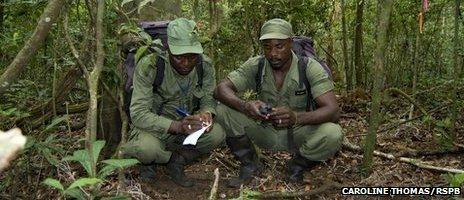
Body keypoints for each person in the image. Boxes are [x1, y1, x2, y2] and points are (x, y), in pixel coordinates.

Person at [214, 18, 343, 187]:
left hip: (298, 133)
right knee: (223, 110)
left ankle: (296, 166)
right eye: (267, 47)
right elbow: (220, 89)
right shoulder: (257, 65)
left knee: (333, 133)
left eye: (279, 46)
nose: (273, 53)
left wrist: (296, 117)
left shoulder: (309, 67)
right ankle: (251, 165)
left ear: (290, 43)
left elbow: (333, 110)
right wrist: (246, 106)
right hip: (264, 130)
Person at [122, 18, 225, 187]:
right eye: (179, 58)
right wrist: (176, 126)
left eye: (192, 57)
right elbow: (138, 114)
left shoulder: (204, 65)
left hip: (187, 128)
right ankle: (154, 162)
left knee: (217, 134)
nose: (186, 63)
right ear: (168, 49)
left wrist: (207, 113)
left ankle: (177, 161)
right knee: (146, 149)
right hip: (156, 129)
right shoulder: (151, 66)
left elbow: (208, 98)